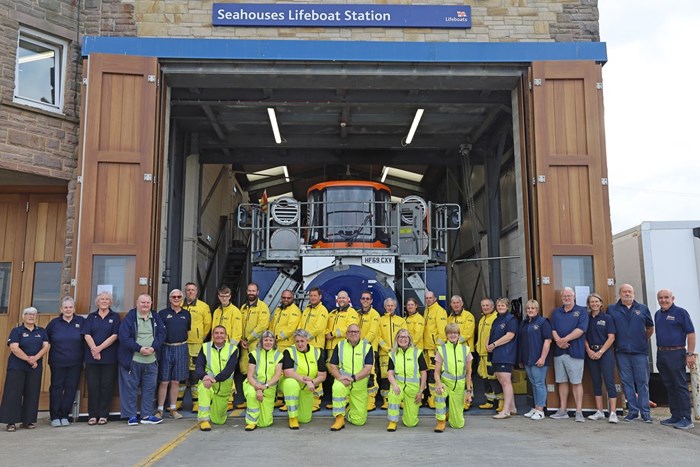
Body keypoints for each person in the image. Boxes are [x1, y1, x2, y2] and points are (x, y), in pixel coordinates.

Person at [606, 284, 654, 422]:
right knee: (626, 382)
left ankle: (645, 413)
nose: (627, 294)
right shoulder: (612, 309)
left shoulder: (643, 308)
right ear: (620, 294)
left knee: (642, 382)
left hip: (640, 352)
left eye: (629, 292)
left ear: (633, 293)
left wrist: (641, 340)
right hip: (621, 352)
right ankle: (633, 411)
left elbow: (650, 327)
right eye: (624, 292)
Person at [117, 294, 166, 426]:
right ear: (137, 303)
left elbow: (162, 333)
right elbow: (124, 336)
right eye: (142, 302)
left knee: (149, 388)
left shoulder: (155, 317)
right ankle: (131, 416)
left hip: (151, 360)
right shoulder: (130, 317)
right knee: (130, 388)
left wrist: (153, 348)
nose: (145, 305)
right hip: (133, 360)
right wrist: (139, 349)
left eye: (148, 303)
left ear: (151, 304)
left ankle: (146, 415)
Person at [0, 307, 49, 432]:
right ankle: (11, 422)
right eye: (28, 314)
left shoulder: (41, 331)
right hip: (17, 366)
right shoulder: (17, 331)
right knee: (13, 394)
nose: (31, 316)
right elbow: (14, 348)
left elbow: (46, 346)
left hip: (34, 367)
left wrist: (35, 358)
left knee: (32, 393)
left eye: (33, 314)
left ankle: (28, 421)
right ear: (23, 316)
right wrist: (29, 359)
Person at [655, 289, 696, 429]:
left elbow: (691, 333)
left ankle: (686, 418)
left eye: (666, 297)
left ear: (673, 298)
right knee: (669, 386)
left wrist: (690, 354)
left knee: (680, 386)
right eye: (660, 298)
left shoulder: (681, 313)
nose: (663, 300)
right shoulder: (658, 314)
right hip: (661, 354)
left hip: (676, 353)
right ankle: (676, 416)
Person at [550, 287, 589, 422]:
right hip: (559, 352)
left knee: (576, 382)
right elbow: (552, 329)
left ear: (574, 296)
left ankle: (579, 412)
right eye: (564, 296)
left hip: (575, 352)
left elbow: (581, 330)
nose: (567, 298)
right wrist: (558, 341)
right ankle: (562, 410)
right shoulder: (556, 312)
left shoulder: (582, 311)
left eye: (569, 296)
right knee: (562, 381)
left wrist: (564, 340)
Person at [46, 296, 85, 427]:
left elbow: (86, 340)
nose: (68, 309)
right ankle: (55, 416)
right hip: (57, 362)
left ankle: (64, 415)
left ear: (74, 308)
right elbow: (46, 341)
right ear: (61, 309)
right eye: (66, 307)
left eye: (70, 307)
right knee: (56, 388)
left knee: (70, 388)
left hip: (75, 362)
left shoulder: (81, 321)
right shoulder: (54, 323)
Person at [83, 291, 121, 425]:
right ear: (97, 302)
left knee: (107, 386)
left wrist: (99, 349)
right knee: (93, 387)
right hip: (92, 358)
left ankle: (104, 415)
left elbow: (115, 335)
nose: (104, 301)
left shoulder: (115, 317)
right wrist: (94, 349)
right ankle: (92, 415)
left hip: (109, 358)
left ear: (110, 302)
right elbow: (86, 334)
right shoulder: (91, 317)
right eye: (102, 299)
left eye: (107, 299)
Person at [328, 324, 374, 431]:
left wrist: (353, 378)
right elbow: (333, 366)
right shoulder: (340, 345)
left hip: (359, 384)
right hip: (343, 381)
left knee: (359, 421)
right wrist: (340, 378)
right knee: (337, 387)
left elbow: (368, 369)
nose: (353, 334)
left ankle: (348, 410)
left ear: (360, 333)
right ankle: (339, 418)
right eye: (351, 331)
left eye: (356, 331)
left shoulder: (367, 347)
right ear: (346, 334)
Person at [194, 325, 239, 431]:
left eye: (221, 333)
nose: (219, 335)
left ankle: (214, 412)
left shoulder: (233, 349)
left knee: (219, 421)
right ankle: (204, 420)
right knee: (203, 388)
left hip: (223, 389)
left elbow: (229, 369)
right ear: (213, 335)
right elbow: (199, 366)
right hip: (208, 384)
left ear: (226, 336)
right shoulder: (205, 347)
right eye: (216, 333)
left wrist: (215, 379)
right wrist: (205, 377)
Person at [156, 289, 191, 420]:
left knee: (176, 381)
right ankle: (159, 409)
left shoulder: (186, 314)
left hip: (181, 347)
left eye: (179, 297)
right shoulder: (162, 314)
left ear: (182, 299)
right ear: (170, 299)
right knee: (164, 381)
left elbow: (187, 329)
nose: (176, 299)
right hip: (166, 348)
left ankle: (173, 408)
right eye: (174, 296)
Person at [281, 329, 327, 429]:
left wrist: (312, 382)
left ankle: (298, 414)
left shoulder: (316, 352)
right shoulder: (289, 351)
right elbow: (288, 372)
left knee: (305, 419)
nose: (300, 344)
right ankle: (292, 417)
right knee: (290, 383)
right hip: (293, 384)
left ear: (307, 340)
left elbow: (323, 375)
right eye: (297, 341)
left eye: (302, 341)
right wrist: (306, 380)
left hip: (307, 389)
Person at [584, 292, 618, 423]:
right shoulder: (586, 318)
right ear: (588, 304)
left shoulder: (607, 318)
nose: (594, 304)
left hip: (605, 353)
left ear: (601, 303)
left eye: (596, 301)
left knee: (609, 381)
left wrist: (601, 352)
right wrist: (588, 350)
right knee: (596, 381)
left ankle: (613, 412)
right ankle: (599, 411)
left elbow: (612, 337)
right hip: (591, 352)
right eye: (592, 302)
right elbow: (584, 336)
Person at [434, 323, 473, 432]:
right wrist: (438, 383)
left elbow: (469, 372)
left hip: (459, 386)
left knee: (457, 425)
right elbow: (436, 372)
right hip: (445, 384)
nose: (453, 335)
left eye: (455, 333)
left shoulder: (466, 350)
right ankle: (440, 421)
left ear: (459, 335)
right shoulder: (441, 349)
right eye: (450, 333)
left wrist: (468, 391)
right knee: (439, 393)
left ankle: (450, 414)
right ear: (446, 335)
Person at [324, 290, 359, 408]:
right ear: (336, 300)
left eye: (344, 298)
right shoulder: (333, 313)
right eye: (339, 298)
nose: (341, 300)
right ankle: (336, 400)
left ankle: (347, 400)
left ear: (348, 299)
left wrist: (332, 334)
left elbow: (349, 329)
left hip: (343, 347)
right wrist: (327, 333)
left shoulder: (352, 312)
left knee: (342, 372)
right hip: (330, 347)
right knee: (332, 372)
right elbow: (325, 327)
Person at [386, 328, 427, 431]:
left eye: (405, 337)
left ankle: (408, 416)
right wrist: (394, 385)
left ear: (409, 339)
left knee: (410, 423)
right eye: (400, 337)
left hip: (413, 389)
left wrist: (421, 391)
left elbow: (423, 373)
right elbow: (390, 373)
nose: (402, 339)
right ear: (397, 339)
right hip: (398, 385)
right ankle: (393, 421)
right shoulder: (393, 354)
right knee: (393, 395)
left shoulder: (417, 353)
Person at [518, 299, 551, 421]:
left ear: (537, 310)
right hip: (527, 359)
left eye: (533, 308)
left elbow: (547, 341)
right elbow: (521, 342)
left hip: (538, 359)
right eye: (528, 308)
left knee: (539, 384)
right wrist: (521, 359)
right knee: (533, 384)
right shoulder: (524, 323)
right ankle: (535, 407)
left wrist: (542, 357)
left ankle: (540, 409)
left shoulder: (543, 322)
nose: (530, 310)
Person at [242, 330, 283, 431]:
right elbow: (250, 376)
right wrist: (257, 387)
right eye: (265, 340)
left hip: (269, 388)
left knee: (265, 423)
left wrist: (265, 386)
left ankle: (258, 418)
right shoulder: (254, 354)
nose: (268, 342)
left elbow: (277, 376)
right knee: (252, 395)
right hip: (252, 384)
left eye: (270, 340)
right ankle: (251, 422)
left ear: (274, 342)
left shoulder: (279, 355)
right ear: (261, 342)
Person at [181, 282, 212, 412]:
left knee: (194, 373)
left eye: (192, 290)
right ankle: (178, 401)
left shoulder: (203, 307)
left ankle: (196, 402)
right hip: (181, 343)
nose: (190, 292)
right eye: (188, 290)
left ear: (196, 291)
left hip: (196, 344)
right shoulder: (179, 305)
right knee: (181, 372)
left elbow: (207, 324)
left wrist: (200, 337)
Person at [297, 287, 329, 411]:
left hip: (315, 347)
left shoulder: (322, 310)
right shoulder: (306, 310)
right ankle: (305, 400)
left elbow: (318, 328)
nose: (312, 298)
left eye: (315, 296)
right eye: (311, 296)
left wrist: (304, 338)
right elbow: (300, 325)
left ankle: (315, 402)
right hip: (305, 347)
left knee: (316, 374)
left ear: (320, 297)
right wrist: (300, 338)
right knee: (305, 373)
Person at [212, 285, 242, 410]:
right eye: (221, 296)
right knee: (217, 372)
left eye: (226, 296)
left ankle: (230, 399)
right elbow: (213, 330)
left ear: (230, 296)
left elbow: (237, 331)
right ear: (218, 297)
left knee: (229, 374)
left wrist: (231, 348)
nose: (224, 298)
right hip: (217, 347)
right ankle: (219, 397)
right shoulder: (217, 311)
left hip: (229, 348)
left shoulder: (235, 311)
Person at [487, 297, 518, 419]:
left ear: (507, 306)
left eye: (503, 305)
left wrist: (494, 345)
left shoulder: (510, 319)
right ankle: (512, 407)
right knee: (502, 379)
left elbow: (510, 335)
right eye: (498, 305)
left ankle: (505, 411)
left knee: (505, 381)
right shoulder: (496, 320)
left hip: (506, 353)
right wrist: (488, 345)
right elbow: (491, 334)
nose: (500, 307)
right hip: (497, 354)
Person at [447, 295, 476, 410]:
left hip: (465, 350)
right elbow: (448, 333)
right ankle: (457, 399)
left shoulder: (468, 316)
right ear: (451, 304)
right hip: (452, 351)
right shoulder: (450, 318)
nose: (456, 305)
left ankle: (468, 400)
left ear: (462, 303)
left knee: (467, 374)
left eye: (458, 302)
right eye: (453, 303)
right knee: (455, 376)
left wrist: (456, 342)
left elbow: (468, 333)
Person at [377, 298, 406, 409]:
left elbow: (404, 335)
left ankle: (400, 398)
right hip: (385, 353)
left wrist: (397, 348)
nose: (390, 307)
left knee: (399, 375)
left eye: (392, 305)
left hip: (398, 352)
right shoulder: (380, 320)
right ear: (385, 307)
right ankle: (386, 400)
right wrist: (387, 348)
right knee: (385, 376)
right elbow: (378, 336)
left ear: (395, 307)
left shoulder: (401, 321)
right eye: (388, 306)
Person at [475, 298, 502, 410]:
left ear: (492, 306)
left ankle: (501, 402)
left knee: (494, 379)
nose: (485, 307)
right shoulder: (482, 319)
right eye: (483, 306)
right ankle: (490, 401)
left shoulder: (496, 318)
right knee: (485, 378)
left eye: (487, 305)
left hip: (491, 354)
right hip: (482, 354)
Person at [423, 290, 448, 408]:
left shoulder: (440, 311)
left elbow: (443, 332)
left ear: (435, 299)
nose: (428, 300)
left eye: (430, 298)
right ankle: (430, 397)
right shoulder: (427, 310)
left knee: (435, 373)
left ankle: (435, 398)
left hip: (434, 348)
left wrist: (438, 347)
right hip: (427, 348)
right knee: (428, 372)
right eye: (426, 298)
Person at [357, 291, 380, 411]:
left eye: (367, 299)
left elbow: (372, 333)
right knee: (360, 374)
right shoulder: (358, 314)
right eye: (363, 298)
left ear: (371, 301)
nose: (365, 300)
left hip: (370, 348)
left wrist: (361, 344)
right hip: (358, 349)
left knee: (371, 375)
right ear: (360, 300)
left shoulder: (374, 315)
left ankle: (371, 401)